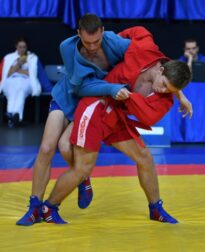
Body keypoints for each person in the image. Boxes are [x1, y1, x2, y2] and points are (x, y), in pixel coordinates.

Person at [40, 26, 192, 225]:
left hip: (117, 115)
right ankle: (49, 208)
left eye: (170, 90)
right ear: (161, 68)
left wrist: (176, 94)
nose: (162, 90)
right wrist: (114, 47)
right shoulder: (144, 49)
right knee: (80, 165)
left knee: (145, 158)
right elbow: (139, 30)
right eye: (163, 84)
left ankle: (155, 208)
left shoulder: (165, 98)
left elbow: (147, 118)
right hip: (96, 106)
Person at [16, 14, 133, 226]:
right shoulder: (67, 47)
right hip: (67, 96)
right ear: (78, 33)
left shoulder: (115, 42)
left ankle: (80, 176)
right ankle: (34, 208)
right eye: (87, 42)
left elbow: (146, 57)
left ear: (103, 32)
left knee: (66, 148)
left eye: (97, 41)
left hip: (88, 103)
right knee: (45, 148)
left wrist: (178, 94)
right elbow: (80, 86)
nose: (92, 47)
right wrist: (114, 88)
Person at [0, 37, 47, 127]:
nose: (22, 49)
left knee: (21, 90)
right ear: (16, 46)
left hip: (26, 81)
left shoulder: (32, 57)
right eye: (20, 47)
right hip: (10, 80)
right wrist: (19, 64)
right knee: (12, 91)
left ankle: (12, 115)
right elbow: (7, 73)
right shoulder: (8, 57)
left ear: (27, 47)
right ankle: (15, 116)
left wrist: (16, 70)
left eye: (24, 47)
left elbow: (32, 74)